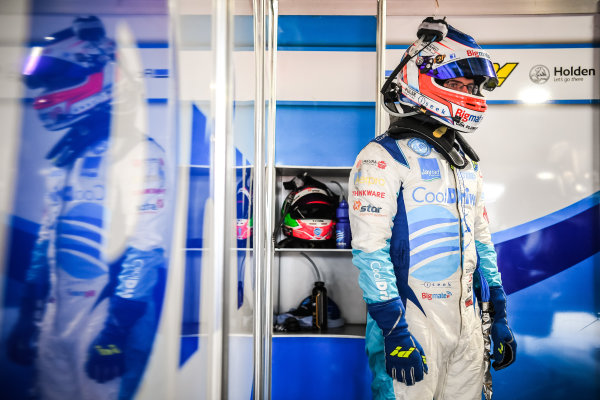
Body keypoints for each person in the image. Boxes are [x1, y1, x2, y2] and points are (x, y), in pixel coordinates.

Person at [349, 18, 516, 400]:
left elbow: (482, 241)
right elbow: (370, 251)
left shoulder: (465, 163)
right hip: (411, 325)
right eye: (456, 84)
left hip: (469, 326)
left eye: (472, 86)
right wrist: (395, 331)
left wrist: (500, 315)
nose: (468, 92)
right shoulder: (382, 157)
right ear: (421, 81)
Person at [7, 16, 167, 400]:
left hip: (106, 317)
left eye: (58, 79)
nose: (47, 92)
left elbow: (145, 247)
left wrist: (116, 332)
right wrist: (29, 316)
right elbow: (46, 239)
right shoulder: (67, 156)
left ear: (100, 76)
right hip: (55, 315)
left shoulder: (138, 153)